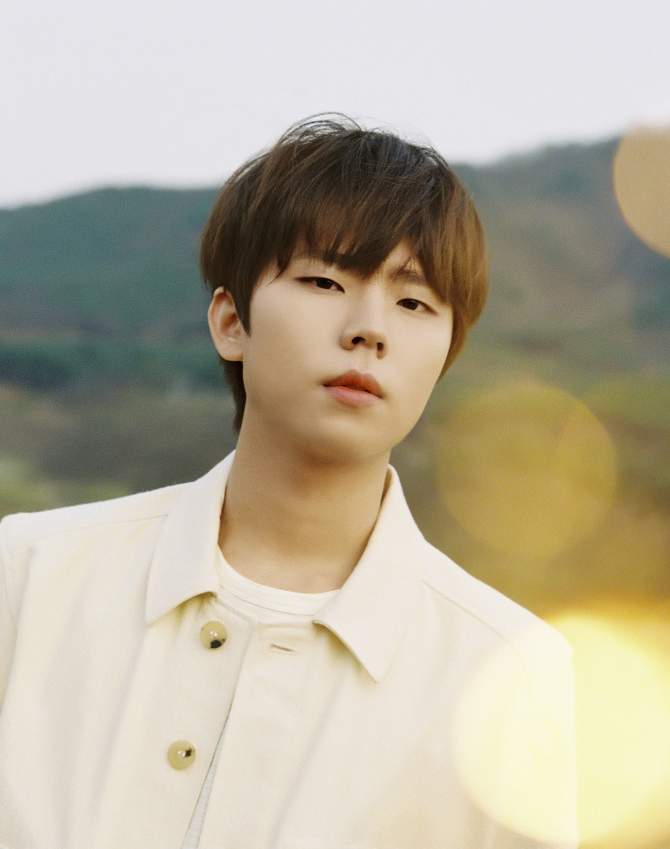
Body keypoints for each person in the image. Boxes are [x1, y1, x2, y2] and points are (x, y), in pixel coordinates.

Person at [0, 116, 578, 848]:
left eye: (414, 302)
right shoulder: (30, 575)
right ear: (230, 322)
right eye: (324, 281)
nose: (370, 329)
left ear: (445, 356)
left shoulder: (505, 672)